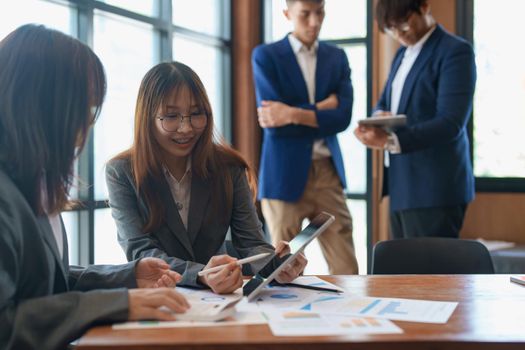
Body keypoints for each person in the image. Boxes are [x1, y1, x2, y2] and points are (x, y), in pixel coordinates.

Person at [0, 25, 191, 350]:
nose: (88, 124)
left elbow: (50, 281)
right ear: (43, 107)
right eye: (84, 109)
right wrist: (117, 305)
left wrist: (129, 277)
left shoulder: (33, 182)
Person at [105, 61, 307, 295]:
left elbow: (251, 243)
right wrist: (200, 275)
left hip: (221, 299)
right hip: (159, 296)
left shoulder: (228, 167)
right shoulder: (121, 172)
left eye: (196, 114)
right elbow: (140, 252)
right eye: (171, 116)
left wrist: (277, 265)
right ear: (147, 119)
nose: (186, 128)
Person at [251, 0, 358, 274]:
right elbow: (274, 123)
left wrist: (291, 113)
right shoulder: (266, 56)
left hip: (328, 174)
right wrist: (322, 109)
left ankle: (351, 317)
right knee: (280, 267)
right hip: (283, 174)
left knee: (346, 268)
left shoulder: (336, 57)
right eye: (305, 14)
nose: (314, 22)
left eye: (320, 12)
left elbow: (343, 117)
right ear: (287, 14)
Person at [354, 0, 476, 239]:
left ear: (423, 7)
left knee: (431, 274)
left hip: (434, 189)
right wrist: (378, 117)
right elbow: (385, 102)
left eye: (404, 26)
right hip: (402, 187)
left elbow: (451, 123)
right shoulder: (402, 54)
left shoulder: (455, 51)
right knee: (403, 274)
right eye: (391, 29)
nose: (399, 35)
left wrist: (390, 141)